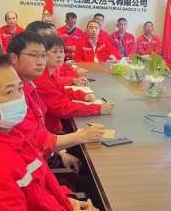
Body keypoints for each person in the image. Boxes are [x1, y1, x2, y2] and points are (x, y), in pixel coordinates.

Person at [0, 53, 100, 211]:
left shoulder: (6, 133)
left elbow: (40, 184)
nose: (20, 99)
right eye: (9, 92)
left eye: (20, 89)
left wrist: (68, 201)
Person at [7, 33, 105, 164]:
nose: (40, 62)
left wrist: (62, 152)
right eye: (34, 55)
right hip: (32, 160)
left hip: (46, 148)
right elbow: (35, 142)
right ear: (13, 57)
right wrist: (81, 135)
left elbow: (40, 129)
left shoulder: (29, 83)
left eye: (43, 56)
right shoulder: (14, 93)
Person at [34, 35, 115, 133]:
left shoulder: (48, 74)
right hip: (50, 131)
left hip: (54, 125)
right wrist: (98, 108)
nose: (60, 55)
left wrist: (82, 95)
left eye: (61, 51)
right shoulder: (41, 80)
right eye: (54, 52)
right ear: (43, 55)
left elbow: (60, 90)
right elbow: (63, 107)